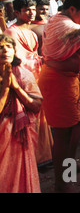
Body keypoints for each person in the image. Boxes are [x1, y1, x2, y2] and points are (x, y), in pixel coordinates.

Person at [38, 0, 80, 192]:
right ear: (72, 9)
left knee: (76, 128)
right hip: (58, 83)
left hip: (68, 81)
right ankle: (62, 183)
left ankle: (69, 170)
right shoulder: (67, 26)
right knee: (63, 136)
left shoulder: (59, 21)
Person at [4, 0, 53, 169]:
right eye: (27, 10)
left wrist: (42, 60)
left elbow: (35, 55)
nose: (32, 12)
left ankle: (43, 156)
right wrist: (38, 60)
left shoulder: (32, 32)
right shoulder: (12, 32)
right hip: (22, 81)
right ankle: (31, 157)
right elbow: (16, 60)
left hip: (36, 77)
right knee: (29, 118)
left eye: (33, 9)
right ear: (17, 12)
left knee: (41, 116)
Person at [0, 34, 42, 192]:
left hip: (20, 134)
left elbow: (36, 106)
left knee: (20, 175)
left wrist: (16, 87)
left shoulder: (24, 75)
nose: (5, 50)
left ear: (14, 51)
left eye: (8, 46)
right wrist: (5, 88)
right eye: (0, 47)